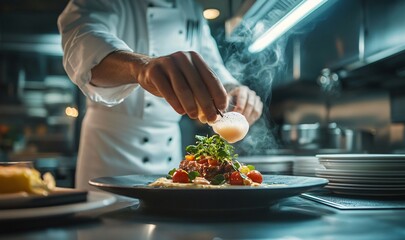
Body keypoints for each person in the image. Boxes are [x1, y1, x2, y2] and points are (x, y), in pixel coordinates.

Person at [58, 0, 263, 190]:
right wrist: (139, 68)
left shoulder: (190, 7)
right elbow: (81, 42)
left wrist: (235, 90)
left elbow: (212, 66)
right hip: (110, 154)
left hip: (169, 152)